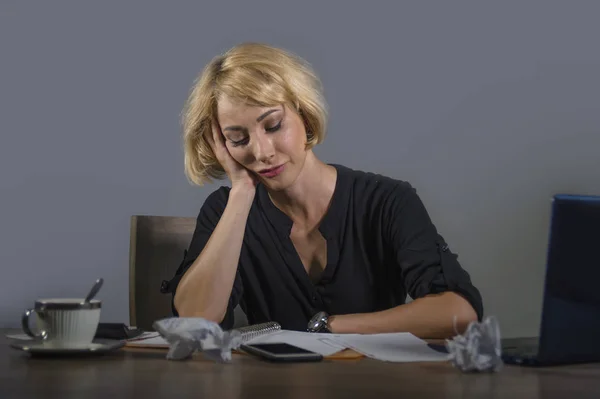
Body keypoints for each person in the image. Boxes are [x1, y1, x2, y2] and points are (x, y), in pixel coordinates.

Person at [163, 42, 483, 339]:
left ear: (304, 114)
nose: (261, 152)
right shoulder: (224, 211)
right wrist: (242, 192)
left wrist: (333, 326)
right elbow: (195, 321)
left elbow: (460, 312)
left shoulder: (388, 202)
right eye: (238, 138)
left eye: (273, 125)